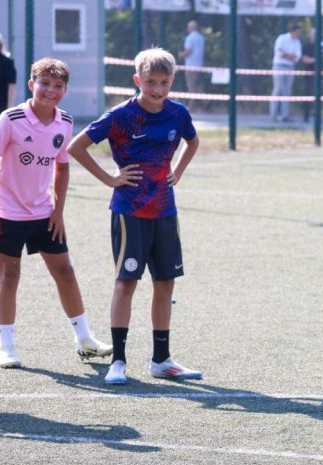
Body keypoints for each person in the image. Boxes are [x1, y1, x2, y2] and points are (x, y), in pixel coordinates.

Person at [67, 48, 202, 385]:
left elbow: (192, 141)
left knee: (165, 282)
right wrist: (111, 179)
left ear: (172, 81)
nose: (157, 89)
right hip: (130, 211)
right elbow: (76, 147)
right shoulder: (120, 116)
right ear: (137, 80)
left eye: (164, 82)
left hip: (165, 210)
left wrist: (179, 171)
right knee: (126, 283)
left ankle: (161, 360)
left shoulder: (177, 113)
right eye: (151, 82)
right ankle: (119, 361)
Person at [0, 58, 110, 369]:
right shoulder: (10, 119)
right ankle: (6, 346)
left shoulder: (66, 121)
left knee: (65, 272)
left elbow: (62, 165)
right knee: (9, 274)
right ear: (32, 85)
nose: (50, 90)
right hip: (7, 212)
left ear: (65, 90)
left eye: (57, 86)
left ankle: (84, 339)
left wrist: (58, 210)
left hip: (43, 213)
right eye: (44, 84)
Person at [269, 24, 303, 122]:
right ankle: (273, 114)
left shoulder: (297, 42)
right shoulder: (282, 38)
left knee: (287, 91)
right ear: (293, 31)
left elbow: (297, 57)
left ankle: (285, 115)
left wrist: (287, 55)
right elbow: (279, 53)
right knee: (278, 89)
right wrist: (290, 56)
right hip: (279, 66)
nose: (299, 34)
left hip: (290, 67)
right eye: (298, 32)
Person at [0, 30, 17, 128]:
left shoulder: (7, 61)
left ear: (0, 44)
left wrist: (10, 107)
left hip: (0, 104)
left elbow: (12, 85)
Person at [179, 20, 205, 112]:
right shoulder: (201, 38)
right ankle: (205, 98)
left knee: (191, 87)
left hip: (190, 65)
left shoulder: (189, 38)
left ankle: (192, 106)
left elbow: (188, 51)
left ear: (191, 28)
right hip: (199, 64)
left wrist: (180, 55)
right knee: (194, 85)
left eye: (188, 27)